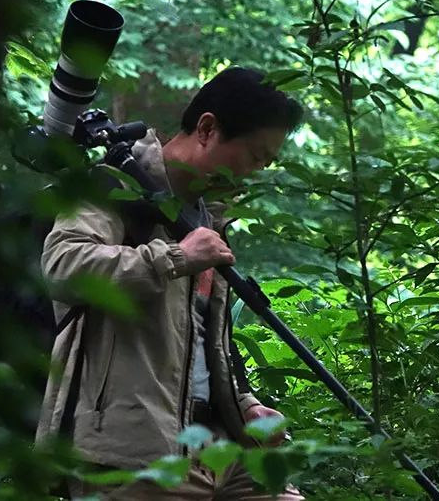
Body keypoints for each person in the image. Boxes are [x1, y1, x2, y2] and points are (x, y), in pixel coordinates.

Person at [35, 67, 305, 499]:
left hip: (219, 445)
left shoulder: (207, 216)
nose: (254, 173)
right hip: (134, 450)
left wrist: (244, 403)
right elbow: (63, 266)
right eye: (254, 156)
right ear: (207, 128)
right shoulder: (112, 185)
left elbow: (198, 340)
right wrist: (176, 256)